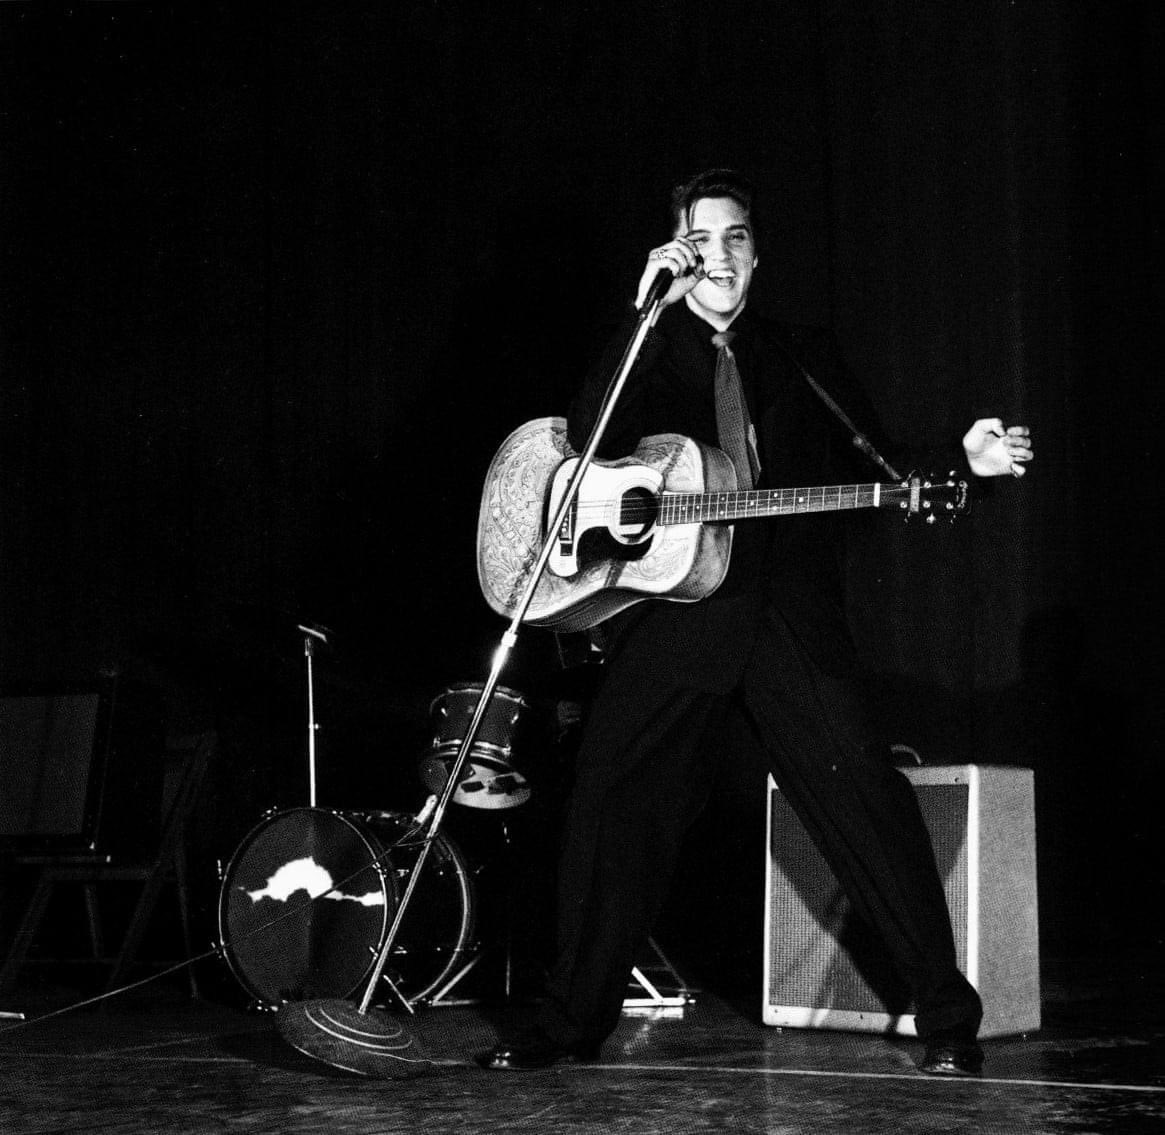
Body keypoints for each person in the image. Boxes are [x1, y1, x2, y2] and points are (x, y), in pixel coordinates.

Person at [475, 168, 1033, 1077]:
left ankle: (945, 1021)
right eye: (701, 240)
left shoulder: (802, 354)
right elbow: (585, 443)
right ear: (676, 253)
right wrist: (641, 314)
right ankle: (565, 1025)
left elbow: (882, 466)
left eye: (736, 238)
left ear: (757, 252)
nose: (720, 257)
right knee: (611, 803)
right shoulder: (646, 352)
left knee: (866, 803)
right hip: (679, 617)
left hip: (787, 619)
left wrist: (958, 463)